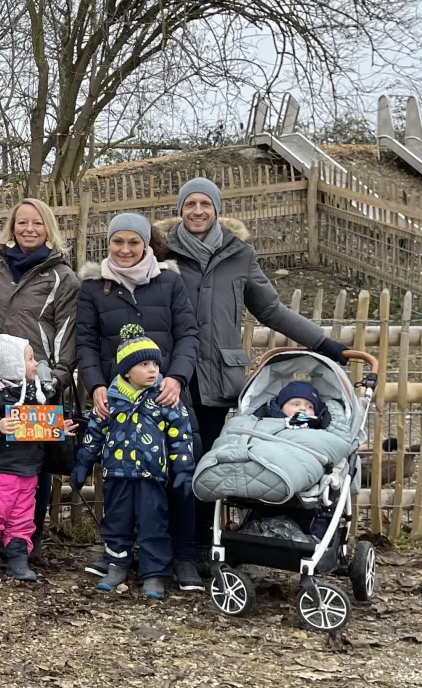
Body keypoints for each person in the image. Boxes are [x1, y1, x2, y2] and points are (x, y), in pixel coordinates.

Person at [154, 178, 346, 564]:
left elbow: (271, 309)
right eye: (189, 203)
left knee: (207, 462)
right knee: (162, 462)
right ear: (179, 209)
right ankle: (161, 546)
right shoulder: (161, 252)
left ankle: (202, 547)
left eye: (205, 204)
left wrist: (321, 342)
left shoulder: (238, 254)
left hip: (216, 377)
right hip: (170, 375)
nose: (197, 211)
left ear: (217, 209)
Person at [75, 211, 201, 588]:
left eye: (134, 242)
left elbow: (188, 335)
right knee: (122, 486)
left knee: (177, 474)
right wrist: (96, 384)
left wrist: (177, 378)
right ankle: (118, 553)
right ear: (108, 244)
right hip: (120, 398)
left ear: (147, 245)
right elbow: (85, 342)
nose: (125, 249)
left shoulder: (169, 283)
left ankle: (181, 557)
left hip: (166, 396)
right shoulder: (95, 288)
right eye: (118, 242)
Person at [0, 198, 80, 543]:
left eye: (37, 223)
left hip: (40, 381)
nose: (29, 229)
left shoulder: (62, 277)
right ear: (12, 226)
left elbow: (67, 332)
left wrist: (57, 377)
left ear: (48, 228)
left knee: (36, 463)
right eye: (22, 222)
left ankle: (25, 541)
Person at [71, 325, 197, 600]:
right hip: (117, 474)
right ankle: (117, 564)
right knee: (117, 521)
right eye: (144, 364)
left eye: (155, 363)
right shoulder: (110, 401)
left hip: (152, 476)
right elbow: (94, 433)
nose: (153, 369)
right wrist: (83, 463)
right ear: (127, 371)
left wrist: (184, 469)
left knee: (154, 524)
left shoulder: (165, 399)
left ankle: (153, 574)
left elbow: (181, 435)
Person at [0, 333, 75, 581]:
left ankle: (18, 559)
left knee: (23, 518)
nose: (36, 364)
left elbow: (38, 427)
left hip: (29, 471)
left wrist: (58, 429)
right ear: (11, 364)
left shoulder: (36, 395)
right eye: (29, 359)